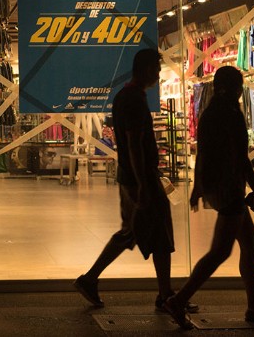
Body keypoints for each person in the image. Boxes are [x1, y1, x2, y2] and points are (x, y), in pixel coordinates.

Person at [74, 48, 197, 315]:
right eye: (156, 68)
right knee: (156, 233)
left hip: (134, 176)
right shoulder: (133, 99)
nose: (158, 73)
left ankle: (159, 292)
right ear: (144, 69)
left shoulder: (127, 96)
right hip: (139, 178)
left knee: (133, 231)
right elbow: (133, 143)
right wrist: (143, 182)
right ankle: (163, 295)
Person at [163, 65, 254, 329]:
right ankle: (179, 300)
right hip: (229, 189)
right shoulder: (231, 115)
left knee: (249, 244)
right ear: (234, 89)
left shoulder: (209, 115)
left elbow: (203, 153)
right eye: (239, 88)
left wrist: (198, 188)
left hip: (219, 187)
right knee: (220, 251)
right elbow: (241, 158)